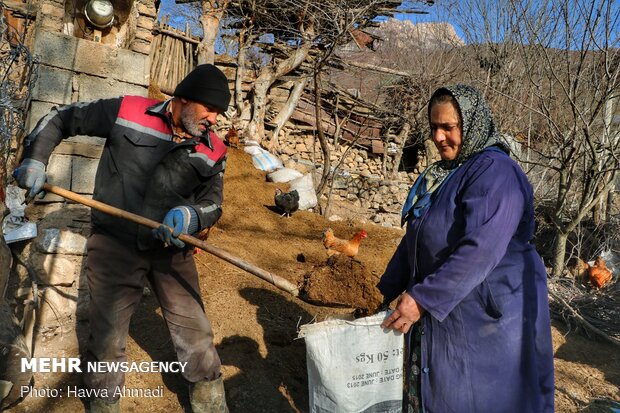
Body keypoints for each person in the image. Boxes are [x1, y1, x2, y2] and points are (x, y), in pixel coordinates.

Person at [13, 64, 232, 413]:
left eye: (220, 112)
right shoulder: (129, 111)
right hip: (114, 245)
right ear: (184, 99)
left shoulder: (214, 149)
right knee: (108, 337)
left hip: (171, 251)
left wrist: (191, 217)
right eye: (211, 109)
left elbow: (213, 204)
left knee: (196, 333)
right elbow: (62, 117)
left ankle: (210, 401)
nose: (215, 119)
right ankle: (103, 402)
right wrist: (36, 159)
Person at [378, 84, 555, 412]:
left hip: (489, 316)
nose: (439, 137)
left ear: (471, 124)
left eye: (448, 127)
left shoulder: (495, 171)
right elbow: (417, 239)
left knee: (479, 397)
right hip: (453, 306)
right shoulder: (449, 175)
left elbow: (481, 248)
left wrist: (423, 298)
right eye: (434, 128)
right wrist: (380, 291)